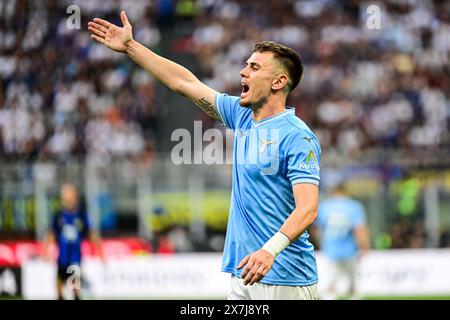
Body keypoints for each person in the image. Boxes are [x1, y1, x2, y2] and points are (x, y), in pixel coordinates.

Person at [88, 11, 321, 300]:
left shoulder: (297, 136)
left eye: (254, 67)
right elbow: (185, 83)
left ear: (278, 82)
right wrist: (131, 47)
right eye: (246, 65)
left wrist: (268, 251)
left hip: (286, 278)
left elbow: (308, 209)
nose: (242, 72)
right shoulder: (242, 116)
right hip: (244, 273)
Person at [43, 183, 103, 300]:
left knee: (75, 288)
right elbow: (52, 233)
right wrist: (45, 250)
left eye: (69, 195)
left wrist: (99, 250)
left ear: (74, 197)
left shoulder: (81, 215)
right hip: (62, 257)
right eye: (65, 196)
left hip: (75, 257)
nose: (67, 199)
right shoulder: (59, 215)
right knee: (59, 288)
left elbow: (91, 232)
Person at [315, 180, 370, 300]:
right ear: (345, 191)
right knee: (353, 286)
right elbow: (359, 230)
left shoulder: (325, 206)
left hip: (330, 250)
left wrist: (320, 244)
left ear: (333, 191)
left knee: (331, 285)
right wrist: (364, 246)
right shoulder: (354, 206)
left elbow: (317, 228)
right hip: (350, 250)